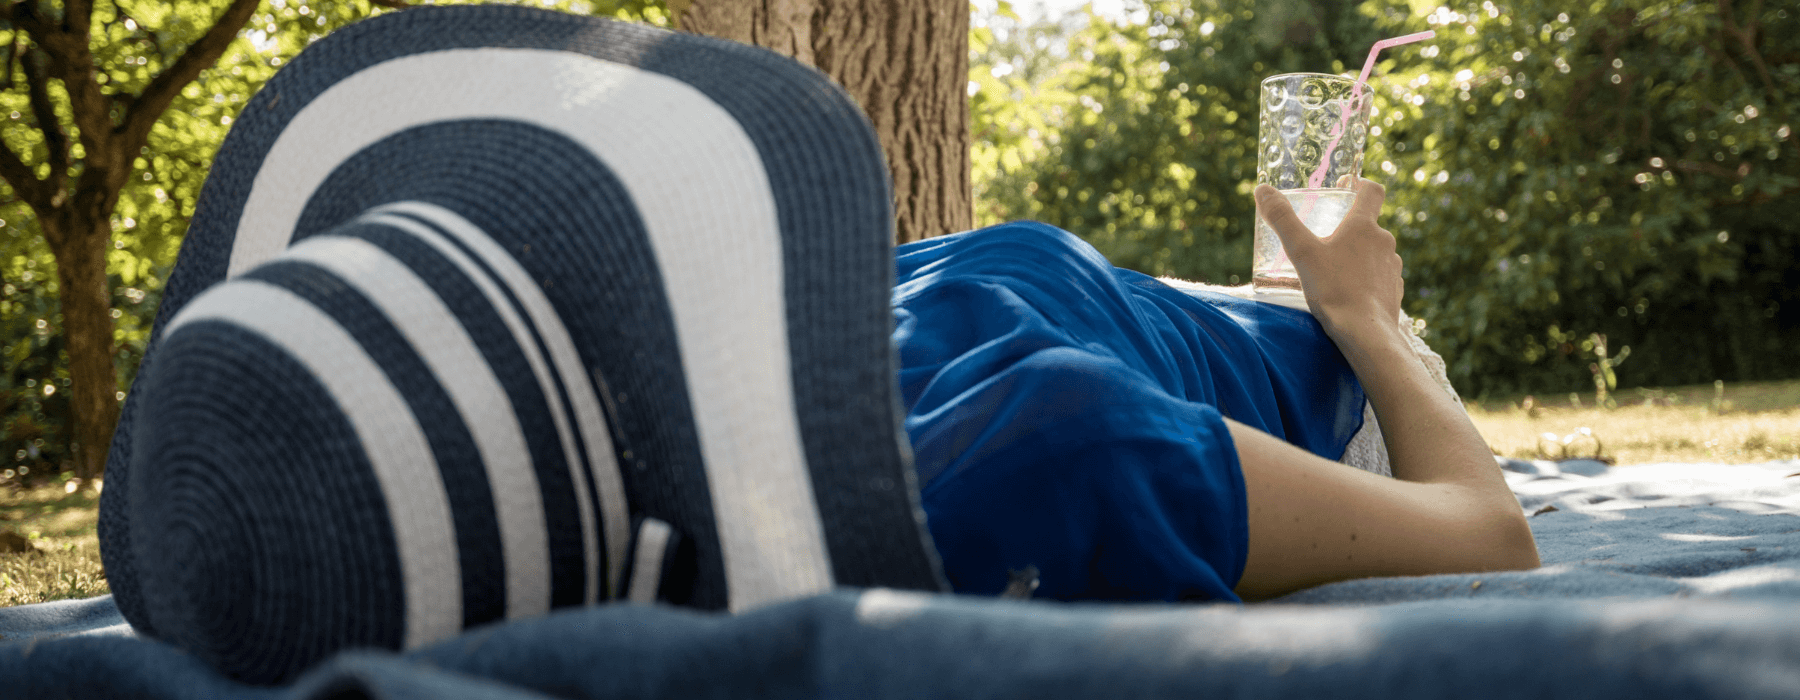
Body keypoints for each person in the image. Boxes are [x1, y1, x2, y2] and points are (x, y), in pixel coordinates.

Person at [893, 178, 1540, 603]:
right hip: (1333, 367)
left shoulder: (822, 306)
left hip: (1100, 297)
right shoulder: (1059, 440)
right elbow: (1493, 539)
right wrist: (1368, 318)